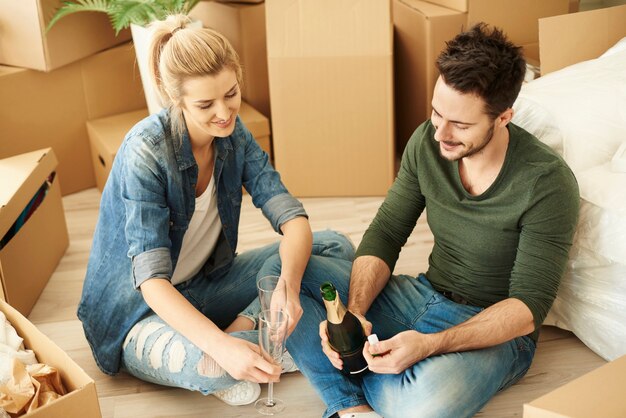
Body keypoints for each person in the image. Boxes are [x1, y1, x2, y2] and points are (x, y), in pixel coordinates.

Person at [285, 23, 580, 418]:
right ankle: (353, 407)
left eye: (460, 124)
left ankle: (353, 373)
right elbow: (387, 232)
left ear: (504, 116)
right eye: (436, 113)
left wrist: (428, 346)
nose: (440, 133)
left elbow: (527, 307)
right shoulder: (427, 141)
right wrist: (354, 314)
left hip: (492, 329)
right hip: (421, 295)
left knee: (425, 403)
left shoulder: (547, 182)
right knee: (288, 271)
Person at [77, 14, 355, 407]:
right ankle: (250, 345)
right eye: (205, 104)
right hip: (143, 312)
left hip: (208, 285)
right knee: (213, 364)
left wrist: (289, 288)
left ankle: (246, 329)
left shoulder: (234, 134)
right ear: (177, 100)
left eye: (232, 93)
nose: (224, 112)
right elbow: (153, 283)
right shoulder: (146, 151)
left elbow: (293, 219)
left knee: (334, 247)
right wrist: (222, 347)